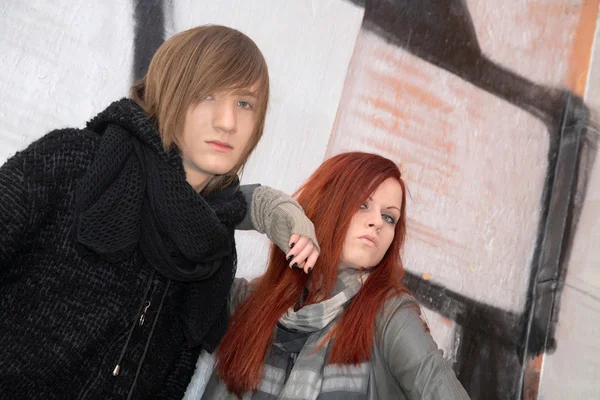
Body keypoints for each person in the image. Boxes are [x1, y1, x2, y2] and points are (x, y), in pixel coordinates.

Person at [0, 25, 319, 399]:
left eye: (244, 103)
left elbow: (170, 380)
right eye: (207, 94)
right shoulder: (73, 163)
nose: (227, 122)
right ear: (172, 90)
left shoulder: (211, 243)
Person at [202, 152, 471, 399]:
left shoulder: (390, 314)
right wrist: (267, 209)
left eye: (389, 217)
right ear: (327, 204)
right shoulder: (249, 301)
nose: (377, 222)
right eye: (363, 204)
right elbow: (184, 221)